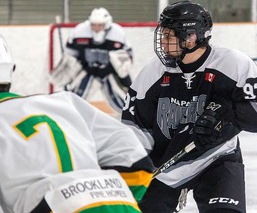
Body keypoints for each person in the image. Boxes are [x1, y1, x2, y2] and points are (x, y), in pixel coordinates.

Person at [121, 0, 257, 213]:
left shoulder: (232, 64)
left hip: (217, 159)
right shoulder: (153, 74)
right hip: (165, 166)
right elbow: (132, 126)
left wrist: (229, 119)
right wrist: (134, 167)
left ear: (191, 38)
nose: (162, 42)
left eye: (169, 36)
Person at [0, 34, 153, 213]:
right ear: (11, 70)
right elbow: (136, 162)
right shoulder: (66, 102)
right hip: (119, 205)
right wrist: (101, 196)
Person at [51, 7, 133, 114]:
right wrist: (71, 71)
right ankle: (66, 117)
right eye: (94, 25)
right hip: (88, 70)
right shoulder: (80, 31)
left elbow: (128, 56)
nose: (96, 28)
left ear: (107, 24)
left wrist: (121, 74)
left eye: (100, 25)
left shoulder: (117, 33)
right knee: (74, 98)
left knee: (121, 100)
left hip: (109, 72)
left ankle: (131, 118)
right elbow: (70, 54)